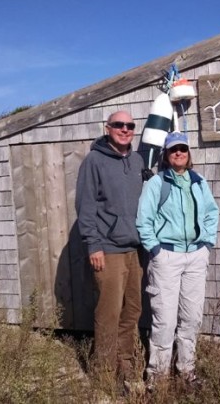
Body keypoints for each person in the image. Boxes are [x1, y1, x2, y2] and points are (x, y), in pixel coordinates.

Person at [136, 131, 219, 387]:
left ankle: (186, 371)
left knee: (191, 318)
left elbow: (211, 213)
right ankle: (157, 378)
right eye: (173, 150)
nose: (179, 153)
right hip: (167, 257)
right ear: (166, 155)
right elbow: (143, 220)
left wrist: (206, 244)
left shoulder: (198, 182)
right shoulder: (156, 184)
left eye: (182, 149)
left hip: (195, 256)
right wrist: (156, 250)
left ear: (188, 153)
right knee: (165, 320)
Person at [75, 111, 144, 382]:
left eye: (129, 125)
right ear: (107, 128)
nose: (124, 129)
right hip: (108, 249)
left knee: (133, 309)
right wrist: (94, 245)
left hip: (134, 249)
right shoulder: (94, 161)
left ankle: (124, 361)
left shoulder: (137, 160)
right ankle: (103, 372)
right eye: (118, 125)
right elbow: (86, 205)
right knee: (109, 312)